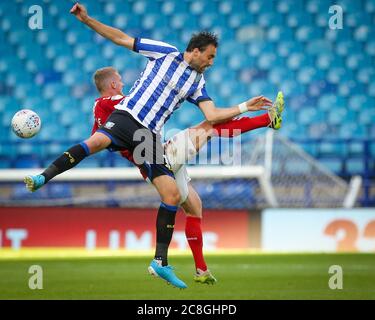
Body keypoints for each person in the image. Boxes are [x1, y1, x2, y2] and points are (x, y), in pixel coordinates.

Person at [25, 2, 276, 289]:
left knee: (171, 195)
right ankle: (42, 176)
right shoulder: (164, 52)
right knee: (96, 141)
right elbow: (121, 38)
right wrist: (87, 20)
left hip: (150, 136)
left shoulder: (197, 83)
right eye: (209, 56)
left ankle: (160, 262)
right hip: (127, 117)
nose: (211, 62)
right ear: (195, 50)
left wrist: (245, 105)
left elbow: (212, 115)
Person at [89, 67, 284, 285]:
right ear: (113, 85)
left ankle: (201, 270)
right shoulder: (119, 103)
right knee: (210, 126)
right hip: (159, 158)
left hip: (153, 161)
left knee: (194, 207)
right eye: (120, 80)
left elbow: (99, 141)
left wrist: (127, 149)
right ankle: (267, 119)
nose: (123, 83)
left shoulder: (99, 111)